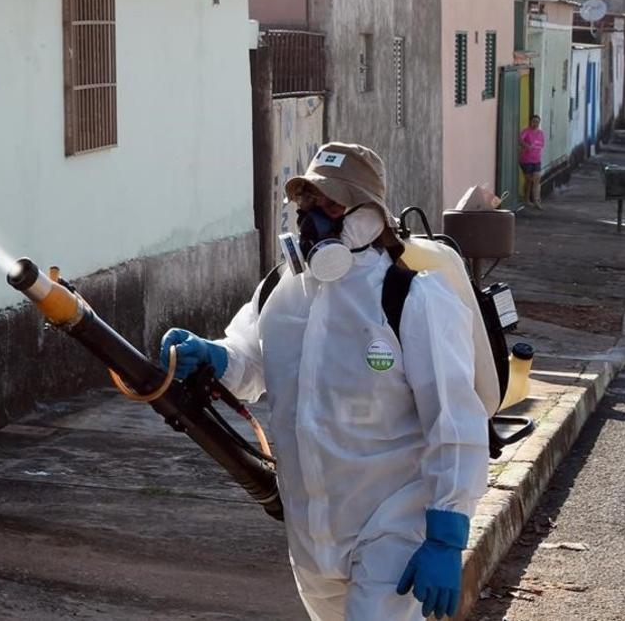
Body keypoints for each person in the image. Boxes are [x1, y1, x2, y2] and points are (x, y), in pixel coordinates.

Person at [160, 143, 489, 620]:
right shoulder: (281, 292)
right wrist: (213, 354)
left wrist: (445, 534)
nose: (314, 217)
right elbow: (249, 362)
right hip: (313, 530)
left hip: (394, 525)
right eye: (307, 204)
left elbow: (455, 419)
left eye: (331, 205)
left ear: (371, 215)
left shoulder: (412, 298)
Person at [519, 115, 545, 209]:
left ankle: (536, 200)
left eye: (537, 122)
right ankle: (526, 199)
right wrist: (526, 146)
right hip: (526, 160)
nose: (536, 124)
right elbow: (519, 139)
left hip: (536, 159)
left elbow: (542, 144)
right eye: (534, 121)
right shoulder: (526, 131)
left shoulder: (541, 133)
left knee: (537, 179)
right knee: (529, 180)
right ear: (530, 122)